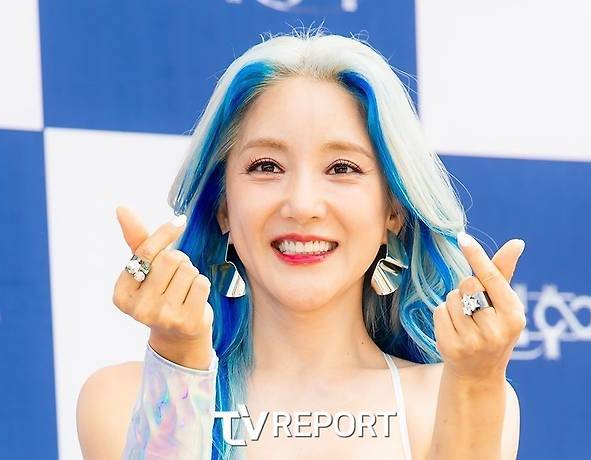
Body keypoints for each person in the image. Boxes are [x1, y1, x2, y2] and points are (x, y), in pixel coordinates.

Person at [76, 28, 525, 460]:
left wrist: (476, 381)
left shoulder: (452, 395)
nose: (303, 205)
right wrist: (177, 361)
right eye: (267, 166)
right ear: (223, 206)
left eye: (342, 168)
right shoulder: (120, 399)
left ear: (394, 210)